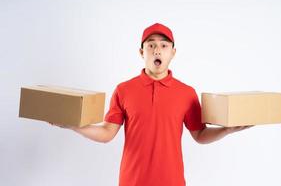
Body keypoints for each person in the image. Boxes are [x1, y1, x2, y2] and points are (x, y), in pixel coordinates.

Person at [49, 23, 252, 186]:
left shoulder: (187, 93)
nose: (157, 50)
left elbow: (200, 135)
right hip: (132, 181)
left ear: (173, 53)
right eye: (151, 45)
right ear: (141, 52)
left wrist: (227, 130)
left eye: (164, 45)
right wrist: (72, 125)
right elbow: (107, 133)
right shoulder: (123, 90)